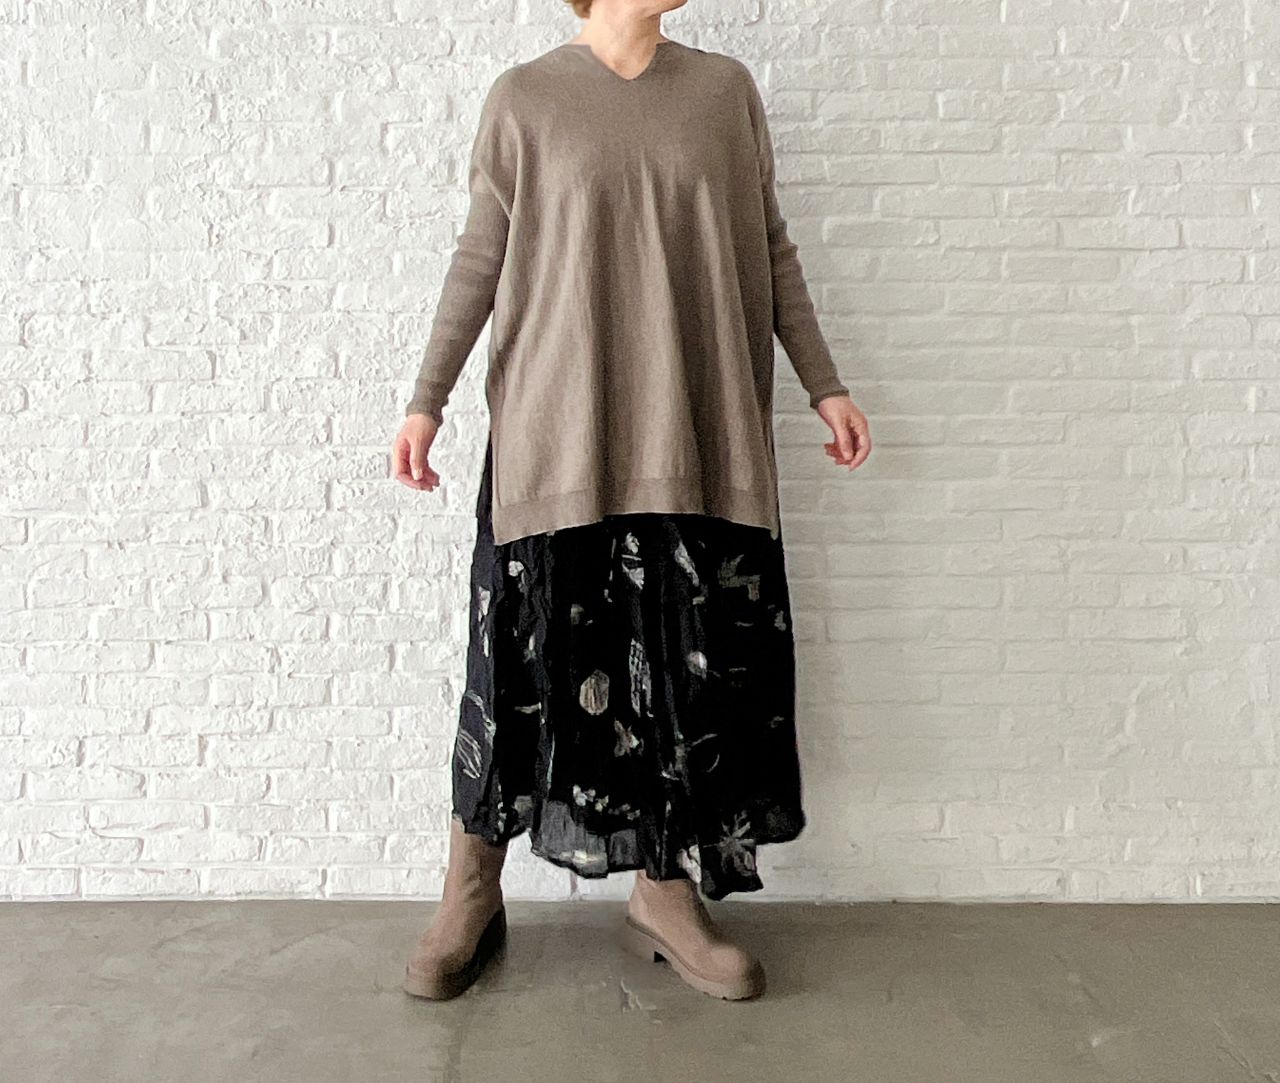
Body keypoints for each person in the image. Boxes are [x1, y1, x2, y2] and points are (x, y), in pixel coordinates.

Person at [390, 0, 872, 1002]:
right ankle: (469, 892)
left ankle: (663, 894)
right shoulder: (525, 99)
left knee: (681, 673)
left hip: (692, 428)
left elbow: (770, 245)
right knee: (519, 667)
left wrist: (824, 382)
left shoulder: (723, 93)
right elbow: (480, 257)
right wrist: (425, 400)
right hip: (556, 433)